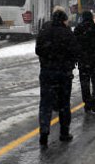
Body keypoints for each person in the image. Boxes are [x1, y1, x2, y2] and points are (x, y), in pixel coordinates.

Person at [36, 8, 78, 146]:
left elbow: (38, 50)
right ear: (64, 20)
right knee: (64, 104)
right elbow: (74, 51)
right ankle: (64, 133)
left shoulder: (44, 32)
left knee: (45, 103)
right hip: (64, 73)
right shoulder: (68, 33)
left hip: (47, 72)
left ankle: (44, 131)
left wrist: (48, 58)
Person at [74, 11, 95, 113]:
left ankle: (87, 102)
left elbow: (74, 44)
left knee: (84, 83)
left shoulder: (78, 29)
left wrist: (76, 57)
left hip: (83, 61)